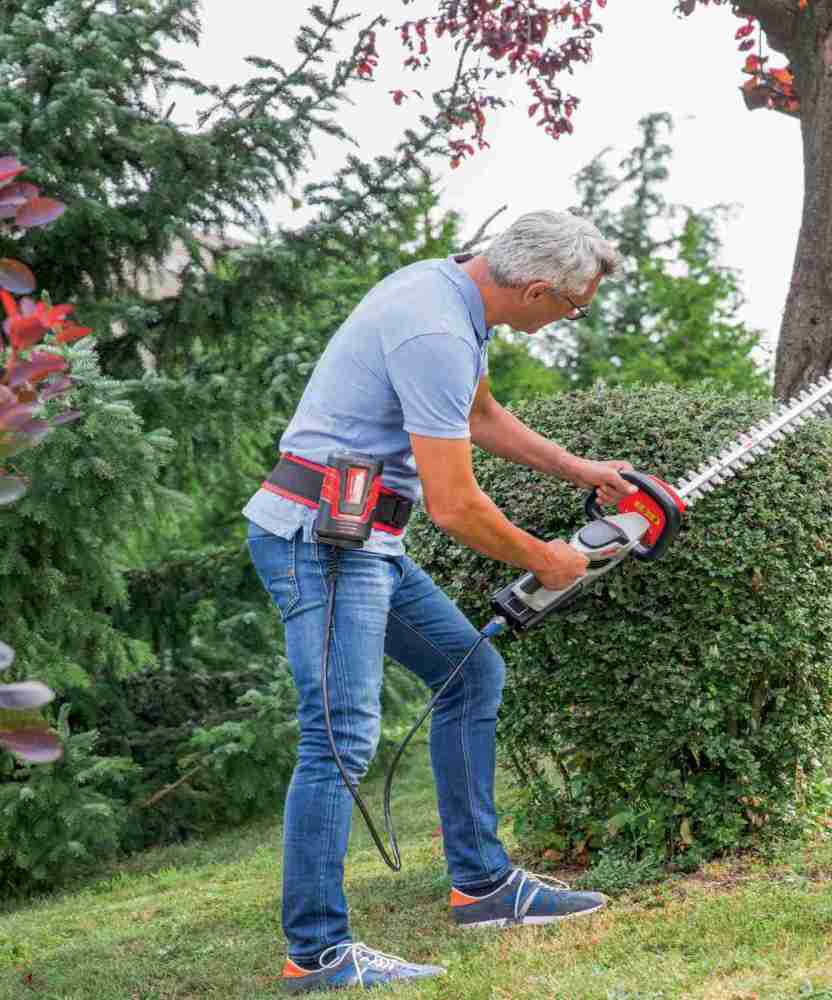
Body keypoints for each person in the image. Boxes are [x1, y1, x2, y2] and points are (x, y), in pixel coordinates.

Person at [243, 210, 637, 993]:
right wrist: (545, 559)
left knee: (470, 674)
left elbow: (479, 415)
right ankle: (317, 955)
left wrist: (579, 469)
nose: (571, 318)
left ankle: (484, 887)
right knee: (340, 743)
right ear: (533, 288)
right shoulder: (437, 331)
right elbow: (455, 507)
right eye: (574, 306)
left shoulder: (453, 294)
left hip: (366, 539)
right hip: (319, 545)